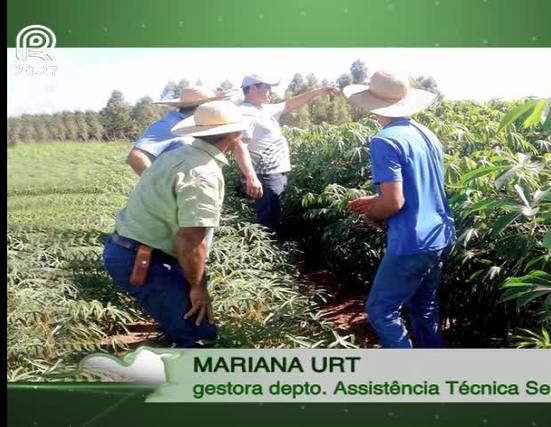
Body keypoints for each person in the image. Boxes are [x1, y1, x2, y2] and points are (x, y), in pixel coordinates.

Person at [103, 100, 248, 348]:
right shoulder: (203, 172)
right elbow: (190, 239)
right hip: (141, 259)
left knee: (182, 321)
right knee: (198, 333)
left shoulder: (176, 155)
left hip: (127, 249)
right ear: (235, 136)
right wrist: (197, 287)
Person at [344, 70, 456, 349]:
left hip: (412, 242)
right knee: (423, 306)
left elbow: (394, 202)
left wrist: (373, 214)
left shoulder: (384, 140)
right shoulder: (426, 134)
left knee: (381, 311)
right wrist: (375, 198)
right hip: (439, 236)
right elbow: (421, 186)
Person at [239, 74, 337, 234]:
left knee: (275, 215)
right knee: (268, 221)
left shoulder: (263, 109)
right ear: (252, 88)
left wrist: (318, 91)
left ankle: (273, 247)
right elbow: (239, 145)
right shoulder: (245, 113)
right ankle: (268, 253)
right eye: (267, 87)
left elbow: (290, 104)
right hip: (265, 175)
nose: (272, 92)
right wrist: (251, 177)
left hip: (275, 174)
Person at [127, 85, 263, 199]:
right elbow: (136, 157)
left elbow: (237, 143)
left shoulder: (199, 127)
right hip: (172, 200)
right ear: (200, 107)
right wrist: (163, 189)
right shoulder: (168, 124)